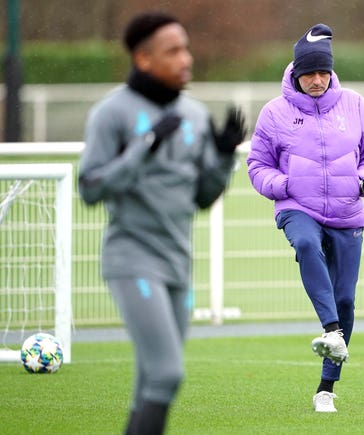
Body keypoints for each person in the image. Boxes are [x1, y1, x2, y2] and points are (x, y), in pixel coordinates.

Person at [78, 12, 246, 434]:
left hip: (178, 263)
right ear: (144, 59)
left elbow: (203, 198)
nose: (186, 58)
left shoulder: (193, 113)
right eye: (173, 51)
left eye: (186, 48)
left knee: (152, 383)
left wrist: (226, 155)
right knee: (167, 373)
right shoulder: (111, 113)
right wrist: (145, 147)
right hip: (133, 259)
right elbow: (90, 188)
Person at [247, 23, 364, 413]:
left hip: (347, 212)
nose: (317, 80)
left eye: (323, 72)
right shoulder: (274, 113)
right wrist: (283, 185)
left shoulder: (355, 104)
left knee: (346, 299)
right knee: (306, 243)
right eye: (308, 73)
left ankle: (326, 388)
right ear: (295, 73)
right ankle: (330, 330)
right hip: (298, 208)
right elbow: (257, 164)